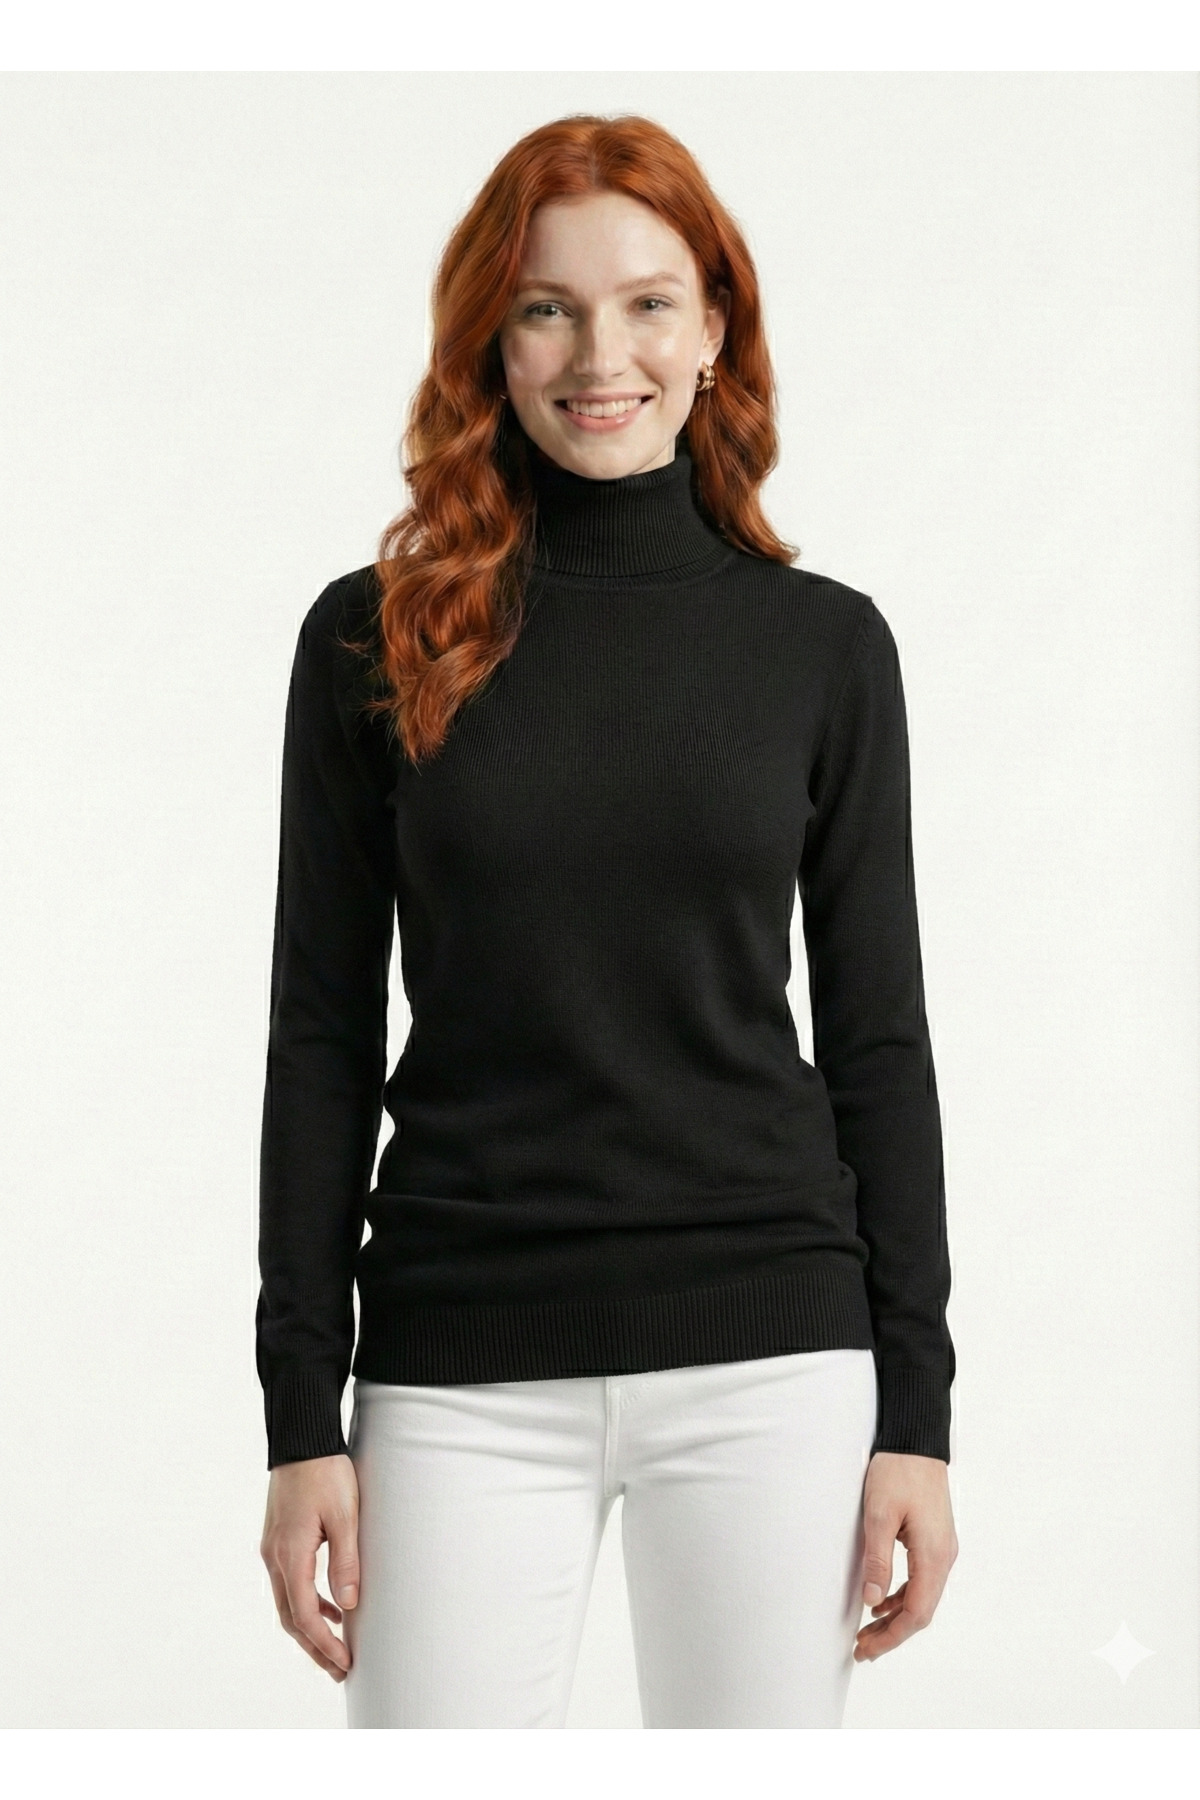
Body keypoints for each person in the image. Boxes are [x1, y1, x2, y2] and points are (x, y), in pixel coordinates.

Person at [256, 112, 958, 1729]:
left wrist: (916, 1417)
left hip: (771, 1354)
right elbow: (319, 1037)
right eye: (547, 309)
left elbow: (880, 1043)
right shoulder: (372, 639)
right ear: (488, 342)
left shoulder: (823, 650)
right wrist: (301, 1416)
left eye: (647, 304)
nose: (600, 356)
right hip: (458, 1355)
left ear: (715, 330)